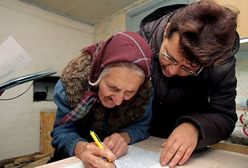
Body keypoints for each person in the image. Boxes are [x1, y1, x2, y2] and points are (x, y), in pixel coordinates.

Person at [138, 0, 239, 167]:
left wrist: (195, 127)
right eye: (168, 56)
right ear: (166, 31)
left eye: (188, 69)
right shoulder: (143, 39)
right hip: (137, 138)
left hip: (185, 152)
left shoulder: (220, 65)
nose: (171, 71)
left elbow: (225, 116)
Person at [50, 31, 153, 168]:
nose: (118, 101)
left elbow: (142, 126)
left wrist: (125, 136)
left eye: (130, 92)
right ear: (97, 75)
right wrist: (81, 148)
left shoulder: (145, 91)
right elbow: (62, 131)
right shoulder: (72, 84)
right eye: (113, 88)